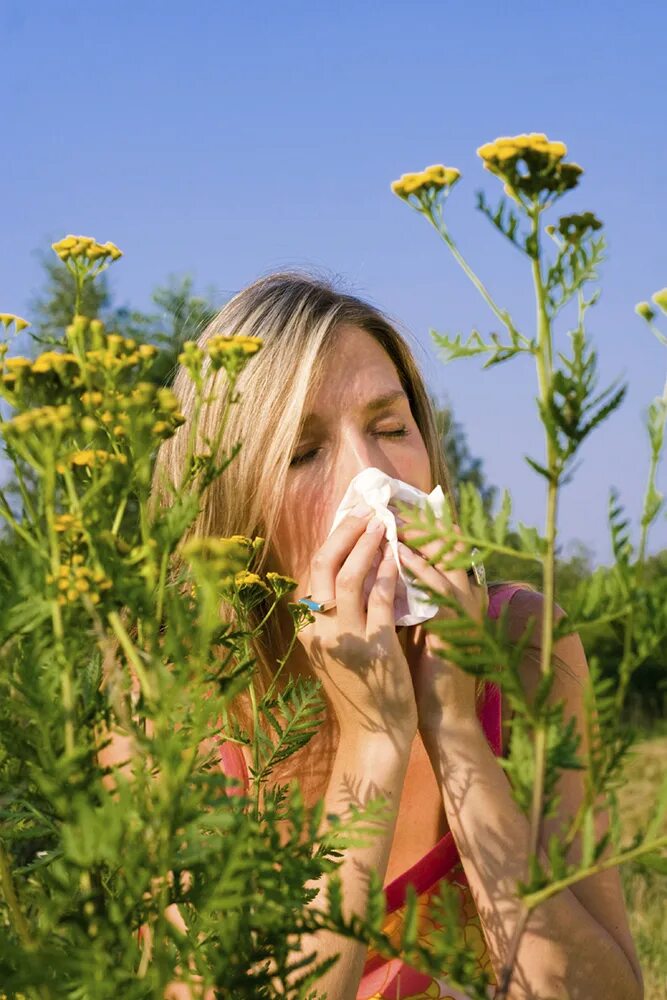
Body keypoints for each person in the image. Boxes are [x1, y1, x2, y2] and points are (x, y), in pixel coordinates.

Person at [147, 271, 643, 1000]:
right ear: (232, 508)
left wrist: (451, 724)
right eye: (301, 453)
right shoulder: (164, 695)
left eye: (388, 429)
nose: (370, 474)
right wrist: (372, 744)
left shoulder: (523, 643)